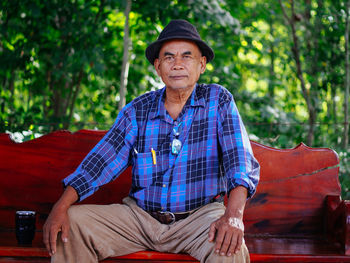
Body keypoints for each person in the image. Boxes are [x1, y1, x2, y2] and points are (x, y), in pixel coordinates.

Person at [43, 19, 260, 263]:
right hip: (140, 219)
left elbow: (239, 161)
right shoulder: (138, 110)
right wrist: (61, 207)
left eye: (186, 56)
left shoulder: (217, 100)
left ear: (202, 65)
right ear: (158, 66)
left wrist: (233, 215)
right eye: (169, 57)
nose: (177, 64)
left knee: (229, 248)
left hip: (200, 220)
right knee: (71, 224)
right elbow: (101, 163)